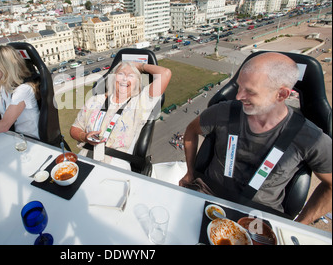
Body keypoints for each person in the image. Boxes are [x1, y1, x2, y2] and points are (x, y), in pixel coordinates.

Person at [179, 52, 332, 225]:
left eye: (250, 92)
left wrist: (300, 225)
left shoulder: (312, 138)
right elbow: (191, 131)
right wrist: (190, 172)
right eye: (239, 87)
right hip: (208, 195)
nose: (238, 96)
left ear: (281, 94)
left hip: (260, 217)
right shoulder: (223, 112)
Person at [70, 61, 171, 170]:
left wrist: (139, 66)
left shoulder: (140, 103)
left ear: (137, 83)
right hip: (85, 156)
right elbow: (74, 129)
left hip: (115, 164)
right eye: (121, 74)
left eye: (131, 75)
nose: (125, 78)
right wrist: (84, 136)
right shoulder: (94, 100)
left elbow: (165, 73)